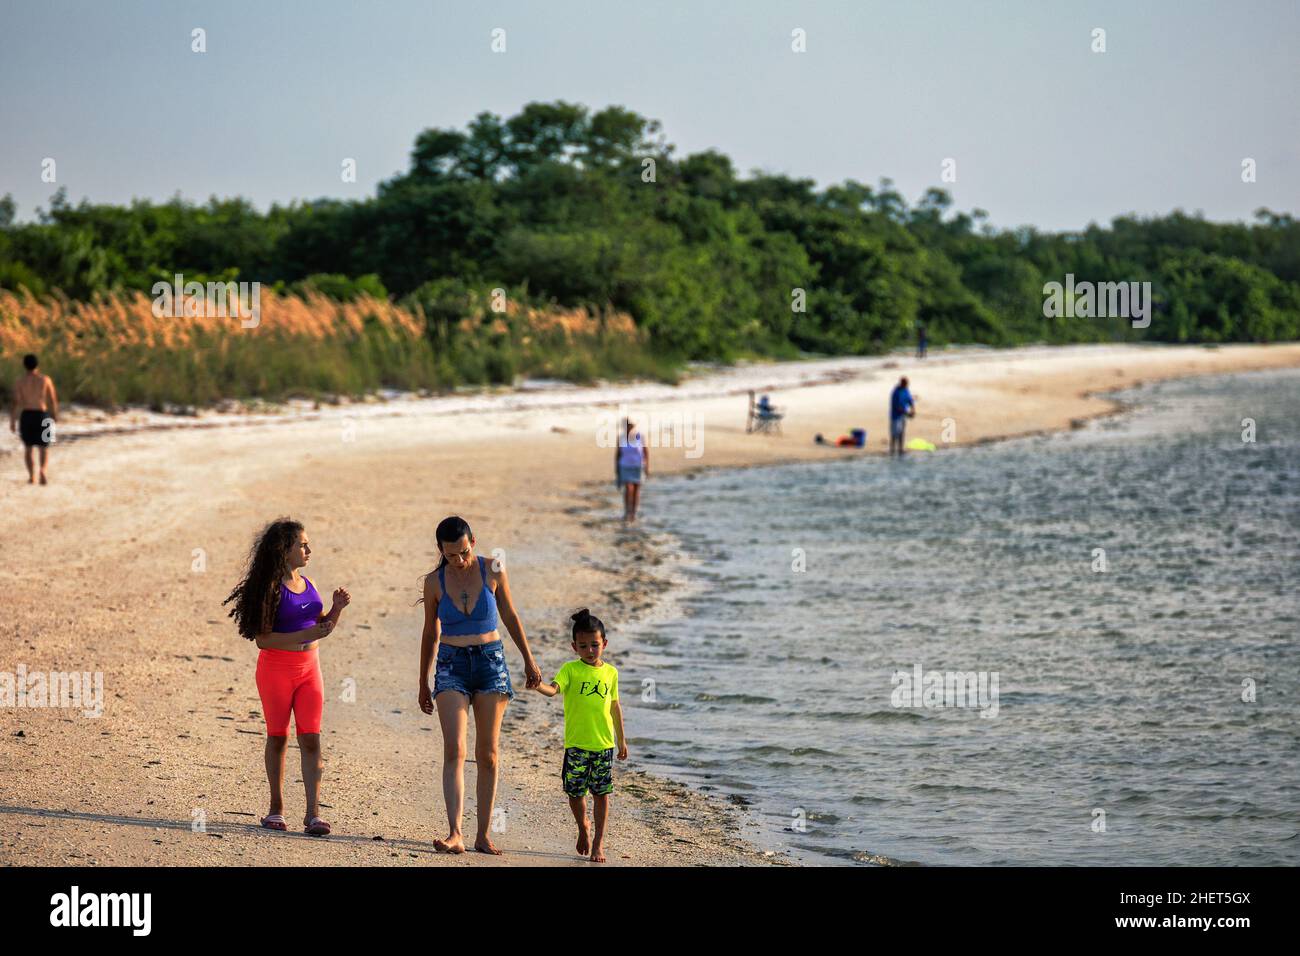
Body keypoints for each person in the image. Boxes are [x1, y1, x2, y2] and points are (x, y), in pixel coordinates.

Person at [417, 516, 542, 855]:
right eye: (451, 555)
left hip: (490, 664)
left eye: (464, 551)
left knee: (487, 754)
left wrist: (529, 661)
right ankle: (455, 832)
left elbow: (511, 615)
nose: (459, 560)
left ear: (473, 540)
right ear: (441, 551)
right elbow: (430, 633)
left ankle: (483, 835)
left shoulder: (493, 568)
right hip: (450, 666)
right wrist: (422, 682)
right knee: (454, 749)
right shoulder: (435, 582)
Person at [223, 518, 351, 836]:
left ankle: (313, 815)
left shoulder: (308, 584)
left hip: (311, 668)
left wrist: (335, 610)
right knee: (278, 737)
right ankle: (276, 810)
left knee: (311, 739)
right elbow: (263, 640)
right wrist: (308, 631)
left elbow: (319, 627)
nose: (309, 549)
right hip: (276, 669)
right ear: (285, 550)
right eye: (302, 544)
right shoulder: (270, 588)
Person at [531, 608, 627, 863]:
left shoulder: (611, 673)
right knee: (574, 793)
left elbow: (615, 706)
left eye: (595, 645)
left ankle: (598, 843)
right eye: (583, 645)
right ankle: (583, 826)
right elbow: (553, 690)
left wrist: (622, 739)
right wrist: (537, 685)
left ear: (604, 644)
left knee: (601, 794)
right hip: (576, 745)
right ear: (574, 647)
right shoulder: (570, 670)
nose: (590, 650)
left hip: (603, 744)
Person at [10, 354, 58, 484]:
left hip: (27, 415)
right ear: (37, 365)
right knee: (44, 447)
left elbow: (15, 402)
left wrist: (12, 421)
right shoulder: (45, 379)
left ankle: (32, 476)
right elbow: (52, 399)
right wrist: (55, 415)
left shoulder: (20, 381)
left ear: (24, 365)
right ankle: (43, 470)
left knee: (28, 447)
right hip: (42, 414)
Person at [615, 418, 649, 523]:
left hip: (638, 466)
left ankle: (633, 513)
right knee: (629, 488)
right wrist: (616, 469)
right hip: (625, 466)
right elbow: (618, 454)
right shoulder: (621, 438)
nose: (628, 428)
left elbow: (645, 452)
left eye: (629, 426)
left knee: (636, 490)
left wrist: (647, 467)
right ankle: (627, 512)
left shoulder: (640, 436)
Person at [889, 376, 916, 457]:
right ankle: (892, 450)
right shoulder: (896, 392)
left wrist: (913, 410)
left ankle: (900, 449)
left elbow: (910, 401)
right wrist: (907, 413)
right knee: (894, 434)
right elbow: (896, 406)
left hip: (903, 416)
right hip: (895, 416)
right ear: (901, 383)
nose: (906, 385)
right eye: (905, 384)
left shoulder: (906, 390)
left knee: (901, 433)